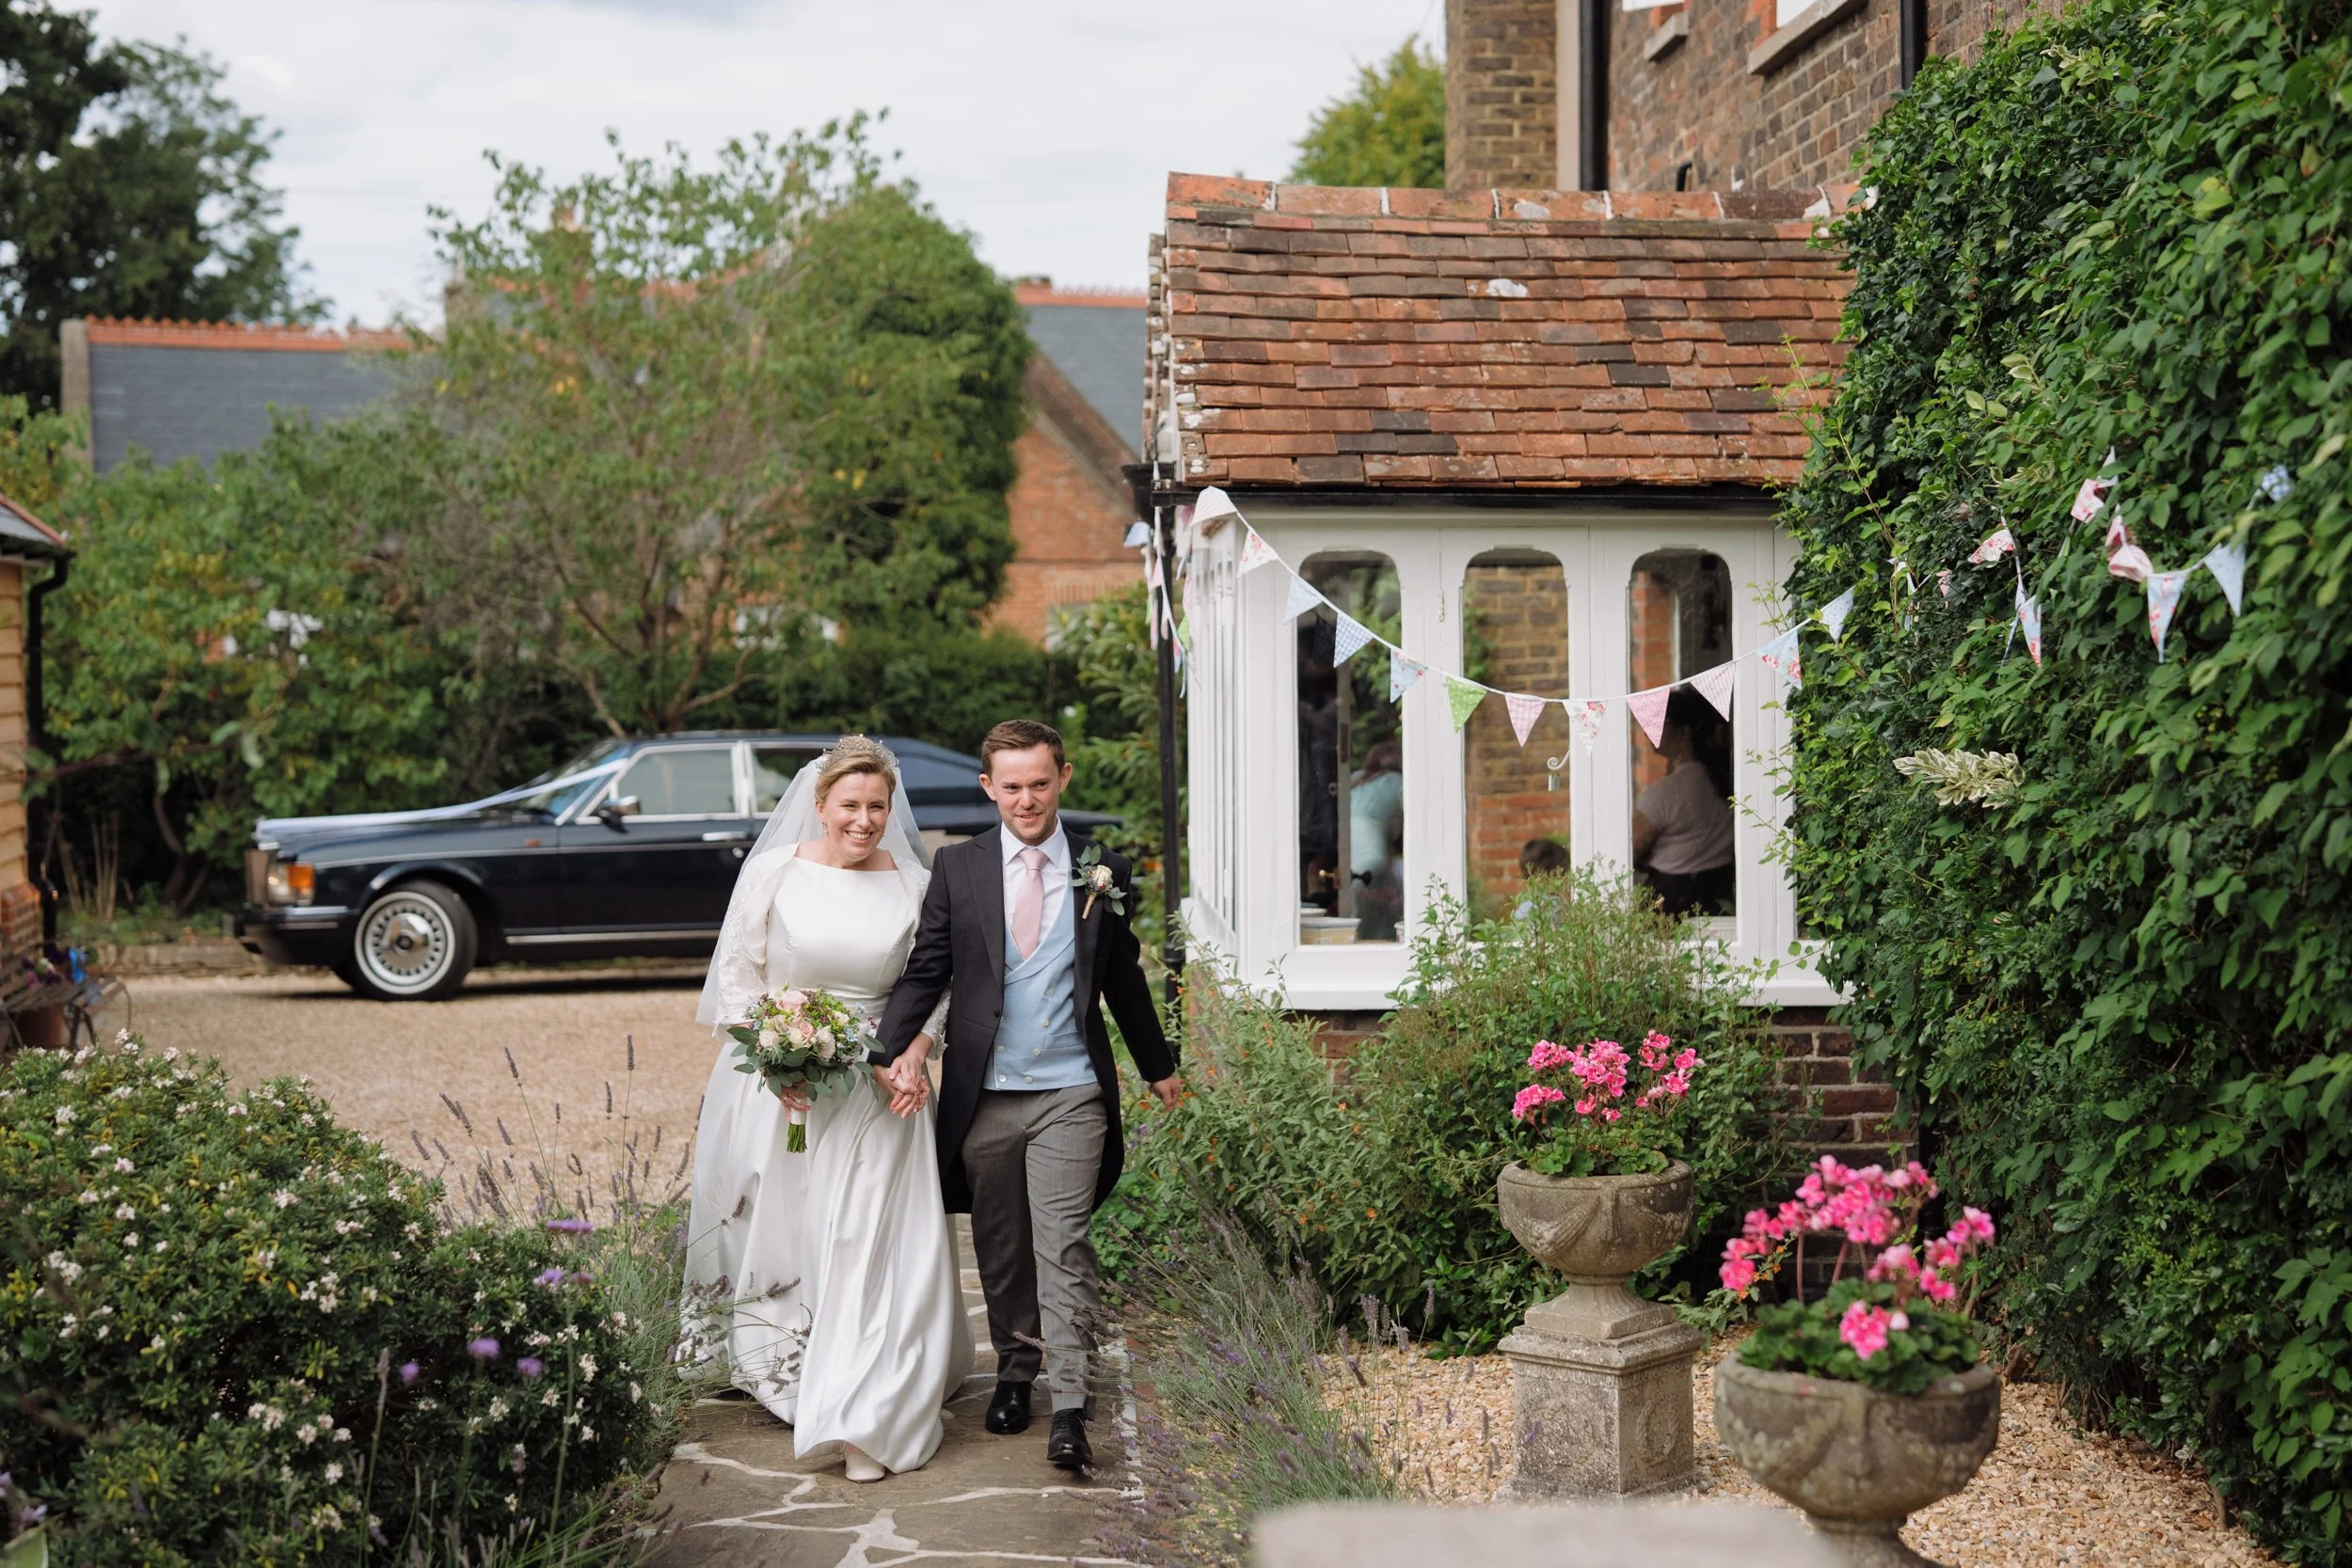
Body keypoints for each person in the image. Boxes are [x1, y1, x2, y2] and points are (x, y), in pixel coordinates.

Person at [875, 719, 1179, 1474]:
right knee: (1002, 1249)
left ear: (1063, 778)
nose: (1027, 798)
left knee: (1064, 1242)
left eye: (1040, 782)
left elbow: (1123, 976)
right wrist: (890, 1050)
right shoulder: (960, 869)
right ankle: (1017, 1368)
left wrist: (1156, 1063)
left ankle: (1071, 1403)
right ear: (989, 788)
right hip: (984, 1093)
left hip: (1071, 1089)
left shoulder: (1102, 868)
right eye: (1011, 786)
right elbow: (928, 968)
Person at [684, 736, 971, 1482]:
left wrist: (916, 1050)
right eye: (851, 804)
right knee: (787, 1226)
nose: (865, 819)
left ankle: (868, 1384)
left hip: (882, 1086)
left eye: (878, 805)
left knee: (866, 1236)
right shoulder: (775, 873)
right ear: (821, 803)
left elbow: (934, 982)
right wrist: (772, 1057)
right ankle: (783, 1365)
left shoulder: (913, 882)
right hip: (784, 1083)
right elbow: (738, 980)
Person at [1631, 689, 1736, 916]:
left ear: (1683, 733)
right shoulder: (1724, 778)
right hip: (1720, 898)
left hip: (1672, 903)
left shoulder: (1666, 794)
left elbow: (1629, 849)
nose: (1650, 729)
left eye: (1662, 721)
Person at [1348, 739, 1405, 941]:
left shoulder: (1355, 780)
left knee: (1354, 921)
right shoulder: (1397, 782)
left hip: (1348, 859)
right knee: (1380, 921)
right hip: (1373, 857)